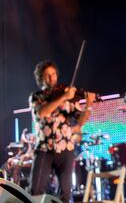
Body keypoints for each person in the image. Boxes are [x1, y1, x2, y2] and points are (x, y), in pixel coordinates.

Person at [28, 60, 95, 203]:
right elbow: (42, 112)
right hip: (44, 149)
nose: (52, 78)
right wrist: (64, 97)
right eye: (47, 75)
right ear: (41, 79)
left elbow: (79, 123)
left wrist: (88, 105)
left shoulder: (68, 99)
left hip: (65, 149)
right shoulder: (37, 97)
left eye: (53, 74)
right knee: (35, 190)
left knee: (65, 193)